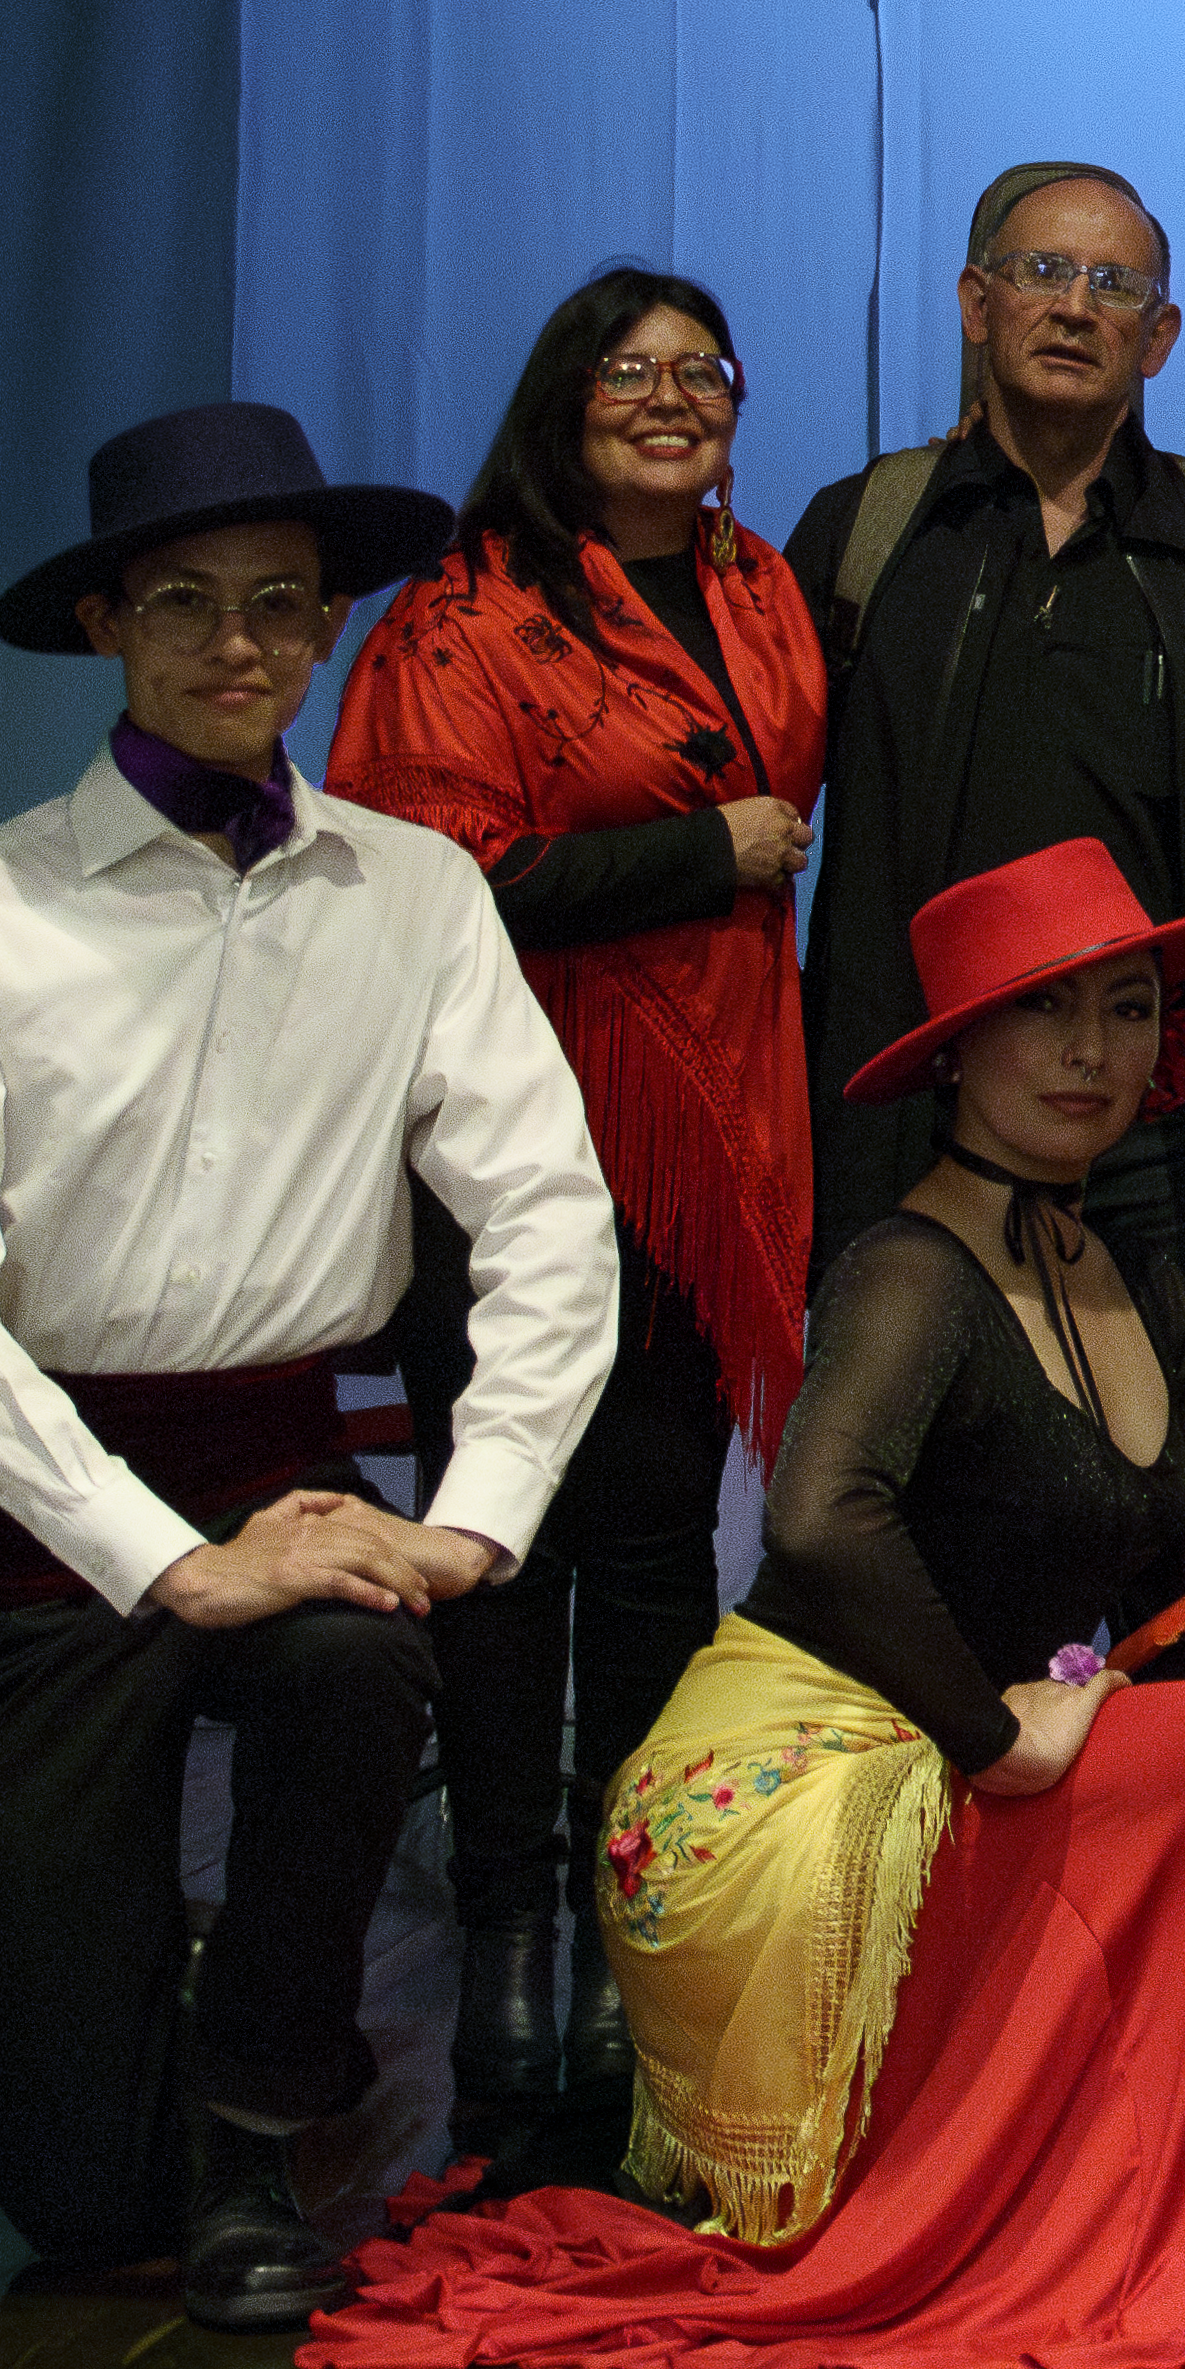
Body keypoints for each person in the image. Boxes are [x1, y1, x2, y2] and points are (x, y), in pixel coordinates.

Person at [300, 842, 1185, 2369]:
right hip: (775, 1785)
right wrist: (999, 1735)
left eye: (1127, 1011)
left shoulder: (1141, 1279)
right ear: (959, 1053)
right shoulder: (907, 1268)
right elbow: (815, 1519)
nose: (1090, 1052)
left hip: (964, 1749)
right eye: (1044, 1013)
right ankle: (1111, 2197)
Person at [0, 404, 618, 2328]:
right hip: (42, 1512)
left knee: (359, 1645)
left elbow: (548, 1211)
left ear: (330, 624)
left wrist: (480, 1513)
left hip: (289, 1459)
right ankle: (152, 2096)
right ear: (110, 617)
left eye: (280, 603)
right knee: (72, 2198)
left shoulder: (416, 891)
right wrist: (170, 1559)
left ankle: (262, 2103)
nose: (234, 643)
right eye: (183, 601)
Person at [326, 266, 834, 2115]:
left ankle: (629, 1933)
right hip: (510, 1142)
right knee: (501, 1549)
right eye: (631, 369)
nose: (672, 395)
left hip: (716, 1134)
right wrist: (700, 846)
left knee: (646, 1552)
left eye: (705, 367)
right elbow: (436, 877)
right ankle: (502, 1942)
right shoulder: (454, 620)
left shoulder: (767, 584)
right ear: (563, 395)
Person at [785, 162, 1185, 1359]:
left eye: (1113, 282)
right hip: (905, 1103)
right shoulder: (866, 530)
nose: (1075, 305)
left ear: (1160, 335)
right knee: (891, 1489)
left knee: (1154, 1489)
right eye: (1041, 272)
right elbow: (742, 780)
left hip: (1146, 1120)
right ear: (978, 303)